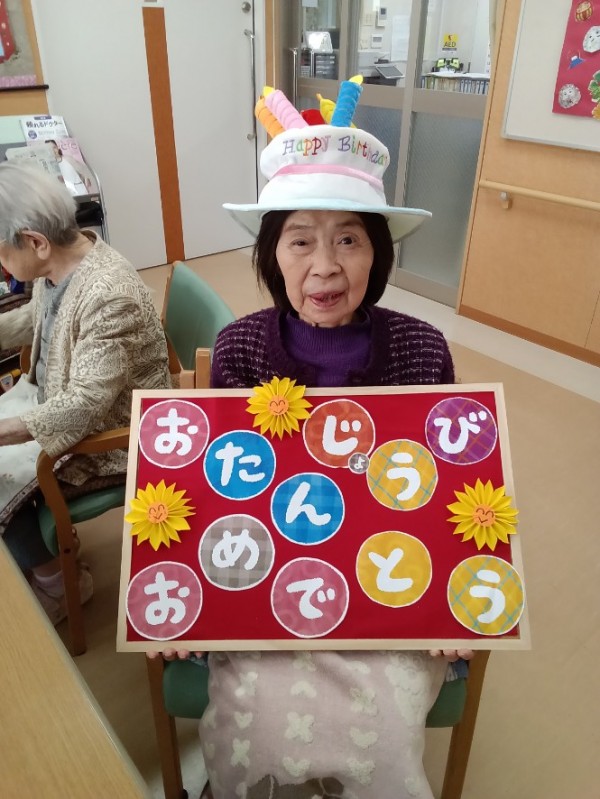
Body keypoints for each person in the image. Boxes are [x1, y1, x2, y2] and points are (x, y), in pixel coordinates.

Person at [156, 91, 473, 799]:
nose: (325, 266)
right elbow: (215, 489)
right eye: (300, 239)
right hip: (265, 581)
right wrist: (180, 597)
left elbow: (447, 488)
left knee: (384, 734)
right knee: (252, 726)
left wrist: (457, 604)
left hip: (389, 589)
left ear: (377, 252)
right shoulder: (240, 348)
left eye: (349, 239)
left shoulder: (423, 349)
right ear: (272, 253)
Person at [0, 162, 170, 624]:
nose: (3, 265)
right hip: (57, 396)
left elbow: (84, 406)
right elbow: (38, 318)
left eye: (2, 253)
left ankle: (60, 582)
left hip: (114, 437)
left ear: (35, 242)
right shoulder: (61, 263)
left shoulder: (109, 293)